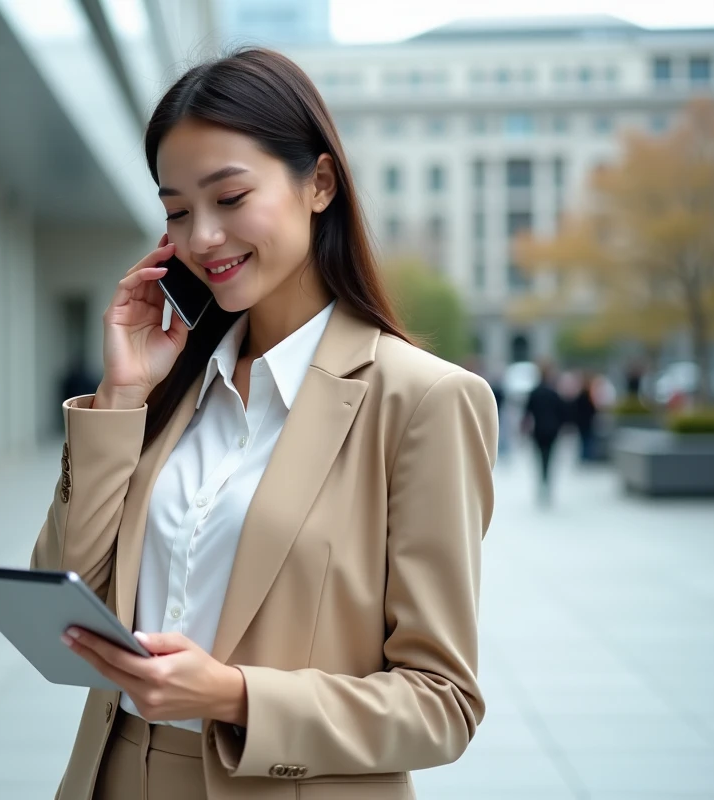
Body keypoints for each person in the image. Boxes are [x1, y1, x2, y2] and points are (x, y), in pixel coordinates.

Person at [30, 48, 498, 800]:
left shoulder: (422, 401)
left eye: (229, 197)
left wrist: (233, 696)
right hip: (110, 776)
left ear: (319, 183)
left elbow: (441, 704)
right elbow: (66, 590)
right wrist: (120, 397)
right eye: (177, 210)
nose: (202, 236)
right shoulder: (171, 386)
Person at [521, 361, 568, 505]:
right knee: (549, 458)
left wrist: (523, 428)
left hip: (538, 430)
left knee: (539, 458)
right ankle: (546, 482)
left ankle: (542, 482)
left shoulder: (535, 392)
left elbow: (527, 412)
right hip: (552, 430)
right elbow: (562, 413)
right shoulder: (554, 393)